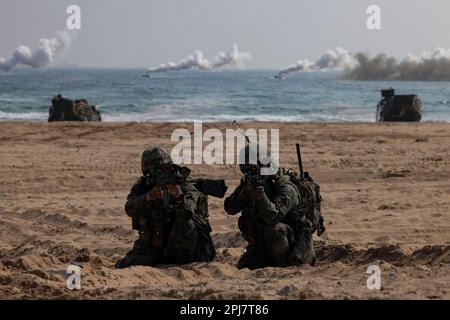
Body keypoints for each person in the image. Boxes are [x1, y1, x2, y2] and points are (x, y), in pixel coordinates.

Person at [116, 146, 216, 268]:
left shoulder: (185, 184)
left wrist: (179, 198)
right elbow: (129, 209)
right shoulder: (144, 185)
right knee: (124, 265)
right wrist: (147, 198)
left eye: (164, 169)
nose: (161, 174)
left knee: (186, 223)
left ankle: (182, 262)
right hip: (154, 246)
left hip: (188, 249)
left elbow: (187, 214)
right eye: (156, 171)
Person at [224, 145, 317, 269]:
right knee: (245, 266)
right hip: (262, 241)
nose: (251, 173)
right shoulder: (249, 182)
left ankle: (282, 265)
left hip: (292, 240)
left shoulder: (286, 187)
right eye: (247, 170)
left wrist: (262, 198)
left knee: (275, 230)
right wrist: (244, 193)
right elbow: (230, 208)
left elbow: (272, 217)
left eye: (253, 168)